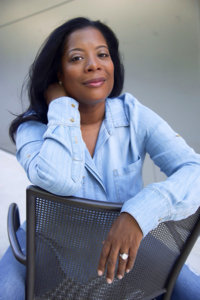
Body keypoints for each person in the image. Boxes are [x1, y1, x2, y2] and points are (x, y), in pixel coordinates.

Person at [1, 17, 200, 299]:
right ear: (58, 72)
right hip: (48, 247)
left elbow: (195, 170)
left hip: (126, 246)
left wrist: (137, 214)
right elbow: (61, 181)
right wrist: (61, 106)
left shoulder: (135, 115)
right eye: (77, 57)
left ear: (113, 65)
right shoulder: (32, 129)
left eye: (102, 54)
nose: (93, 64)